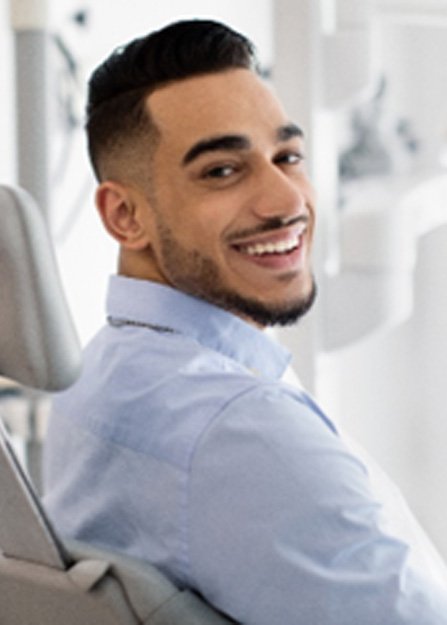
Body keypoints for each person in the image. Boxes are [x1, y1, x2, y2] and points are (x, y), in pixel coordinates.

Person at [43, 19, 447, 624]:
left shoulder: (99, 375)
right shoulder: (239, 430)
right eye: (222, 172)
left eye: (287, 156)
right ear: (125, 215)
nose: (286, 201)